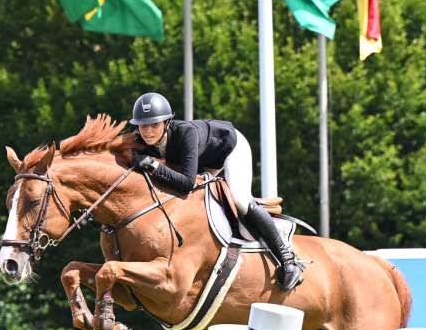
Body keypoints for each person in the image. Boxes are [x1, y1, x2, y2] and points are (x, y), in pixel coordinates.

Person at [127, 92, 304, 290]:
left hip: (229, 150)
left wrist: (153, 166)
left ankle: (288, 259)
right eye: (143, 126)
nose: (148, 131)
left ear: (167, 122)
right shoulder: (137, 141)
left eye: (154, 125)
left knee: (239, 199)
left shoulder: (186, 133)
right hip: (203, 163)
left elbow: (186, 183)